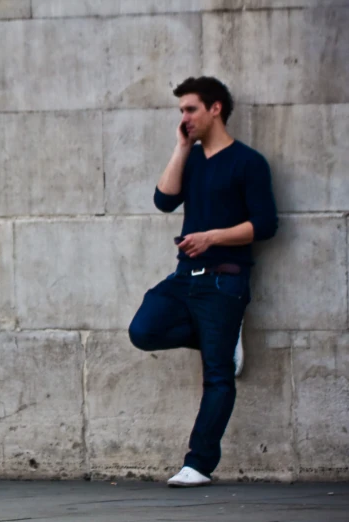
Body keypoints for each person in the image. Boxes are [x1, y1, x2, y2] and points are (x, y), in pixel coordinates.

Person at [127, 77, 278, 487]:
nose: (184, 117)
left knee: (217, 375)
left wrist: (212, 236)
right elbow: (163, 200)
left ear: (215, 109)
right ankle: (225, 338)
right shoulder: (190, 159)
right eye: (180, 111)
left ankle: (199, 464)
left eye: (191, 109)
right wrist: (180, 148)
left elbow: (265, 225)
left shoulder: (248, 162)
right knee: (143, 329)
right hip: (183, 278)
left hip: (224, 282)